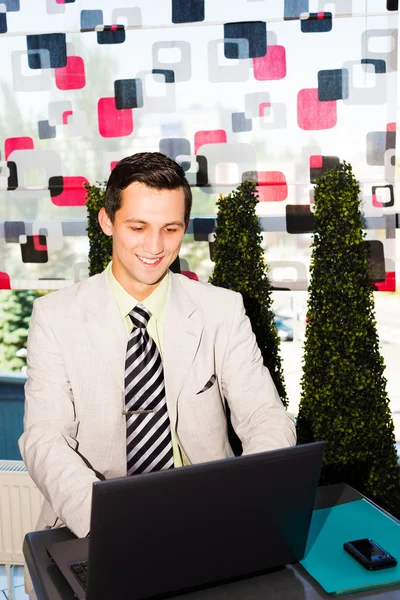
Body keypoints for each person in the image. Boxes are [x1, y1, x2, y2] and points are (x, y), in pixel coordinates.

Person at [20, 152, 296, 594]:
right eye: (138, 227)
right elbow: (44, 437)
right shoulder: (55, 316)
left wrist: (245, 502)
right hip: (92, 527)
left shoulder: (222, 310)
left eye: (170, 229)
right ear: (107, 221)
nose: (154, 247)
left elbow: (266, 417)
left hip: (211, 523)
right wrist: (111, 522)